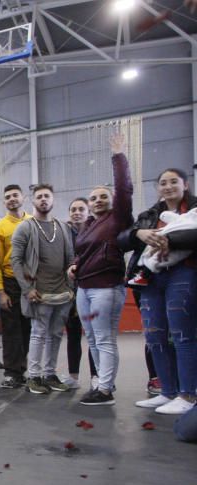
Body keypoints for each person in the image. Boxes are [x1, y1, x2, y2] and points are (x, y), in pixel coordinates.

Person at [121, 168, 197, 415]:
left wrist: (172, 241)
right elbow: (121, 240)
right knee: (154, 335)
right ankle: (167, 391)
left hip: (183, 273)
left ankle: (188, 394)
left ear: (185, 185)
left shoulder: (194, 210)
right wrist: (138, 233)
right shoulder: (149, 215)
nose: (168, 186)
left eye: (173, 182)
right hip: (152, 278)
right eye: (163, 182)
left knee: (182, 334)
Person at [67, 134, 133, 406]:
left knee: (104, 338)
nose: (97, 200)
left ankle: (106, 390)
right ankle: (99, 384)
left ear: (111, 199)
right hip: (84, 288)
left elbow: (125, 189)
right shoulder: (89, 225)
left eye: (102, 196)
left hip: (107, 288)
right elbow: (85, 252)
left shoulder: (118, 217)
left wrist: (118, 156)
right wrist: (75, 266)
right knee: (92, 338)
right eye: (93, 198)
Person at [10, 185, 75, 396]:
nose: (44, 199)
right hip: (39, 293)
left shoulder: (63, 227)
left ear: (53, 199)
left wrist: (71, 288)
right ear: (33, 201)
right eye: (39, 197)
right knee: (38, 334)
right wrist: (27, 289)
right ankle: (34, 376)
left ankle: (49, 374)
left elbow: (71, 259)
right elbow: (16, 261)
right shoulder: (25, 227)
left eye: (47, 196)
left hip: (63, 293)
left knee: (56, 334)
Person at [0, 184, 32, 389]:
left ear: (23, 197)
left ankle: (24, 368)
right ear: (4, 202)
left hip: (32, 283)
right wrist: (1, 291)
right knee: (11, 330)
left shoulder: (34, 222)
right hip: (10, 283)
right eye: (8, 197)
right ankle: (11, 372)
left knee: (30, 329)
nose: (12, 199)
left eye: (15, 195)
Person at [63, 197, 98, 390]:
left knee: (94, 335)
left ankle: (96, 376)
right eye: (73, 209)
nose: (77, 212)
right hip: (69, 291)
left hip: (92, 288)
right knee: (73, 335)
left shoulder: (97, 230)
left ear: (88, 211)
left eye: (81, 209)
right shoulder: (63, 233)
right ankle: (73, 376)